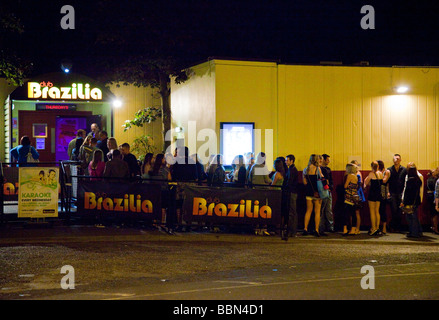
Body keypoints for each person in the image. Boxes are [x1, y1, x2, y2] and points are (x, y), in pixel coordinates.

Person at [302, 154, 323, 237]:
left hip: (308, 192)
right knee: (317, 212)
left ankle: (305, 228)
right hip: (317, 192)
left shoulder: (305, 170)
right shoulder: (318, 169)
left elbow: (304, 182)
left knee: (308, 211)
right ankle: (316, 230)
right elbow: (321, 180)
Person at [401, 162, 423, 238]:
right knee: (415, 216)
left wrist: (403, 202)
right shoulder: (418, 179)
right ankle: (419, 231)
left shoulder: (410, 180)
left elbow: (407, 193)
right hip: (416, 201)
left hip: (410, 202)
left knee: (410, 217)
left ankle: (413, 232)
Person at [387, 154, 407, 233]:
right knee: (393, 210)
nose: (396, 160)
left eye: (398, 159)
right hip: (392, 192)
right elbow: (387, 183)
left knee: (400, 210)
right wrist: (388, 192)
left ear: (400, 160)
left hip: (401, 192)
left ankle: (398, 227)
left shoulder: (404, 170)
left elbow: (406, 182)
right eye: (395, 159)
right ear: (393, 160)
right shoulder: (389, 170)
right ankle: (393, 226)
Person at [364, 161, 384, 236]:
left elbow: (366, 182)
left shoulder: (371, 174)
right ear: (378, 166)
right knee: (377, 211)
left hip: (372, 194)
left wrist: (366, 179)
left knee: (372, 211)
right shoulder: (380, 173)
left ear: (371, 166)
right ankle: (378, 227)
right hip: (378, 194)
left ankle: (373, 228)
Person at [343, 163, 359, 235]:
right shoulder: (355, 176)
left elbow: (345, 186)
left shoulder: (349, 176)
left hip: (348, 197)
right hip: (354, 197)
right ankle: (353, 229)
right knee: (353, 214)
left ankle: (345, 229)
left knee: (346, 213)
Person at [284, 154, 299, 238]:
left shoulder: (292, 170)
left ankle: (292, 231)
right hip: (292, 192)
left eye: (287, 160)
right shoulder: (291, 169)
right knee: (292, 211)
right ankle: (292, 231)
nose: (286, 162)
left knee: (292, 212)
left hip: (292, 193)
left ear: (291, 161)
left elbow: (289, 182)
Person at [319, 154, 334, 233]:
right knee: (324, 209)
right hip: (324, 191)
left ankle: (328, 227)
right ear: (323, 160)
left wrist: (330, 187)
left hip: (326, 190)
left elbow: (330, 180)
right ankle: (323, 227)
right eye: (327, 160)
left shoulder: (327, 169)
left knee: (327, 209)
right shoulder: (320, 169)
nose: (329, 161)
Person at [377, 160, 390, 234]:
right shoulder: (376, 172)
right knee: (376, 210)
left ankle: (384, 226)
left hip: (383, 193)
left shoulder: (386, 171)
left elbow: (384, 181)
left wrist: (377, 176)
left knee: (382, 210)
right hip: (376, 192)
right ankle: (377, 226)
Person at [426, 167, 439, 234]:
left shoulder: (429, 179)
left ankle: (433, 227)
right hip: (433, 197)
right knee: (435, 214)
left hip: (430, 196)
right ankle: (435, 228)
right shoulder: (434, 180)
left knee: (433, 213)